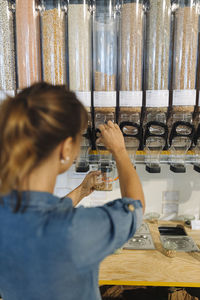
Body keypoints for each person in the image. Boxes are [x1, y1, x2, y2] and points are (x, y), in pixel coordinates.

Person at [0, 82, 145, 300]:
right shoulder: (75, 229)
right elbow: (136, 209)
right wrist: (120, 151)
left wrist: (80, 192)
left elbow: (38, 214)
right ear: (66, 148)